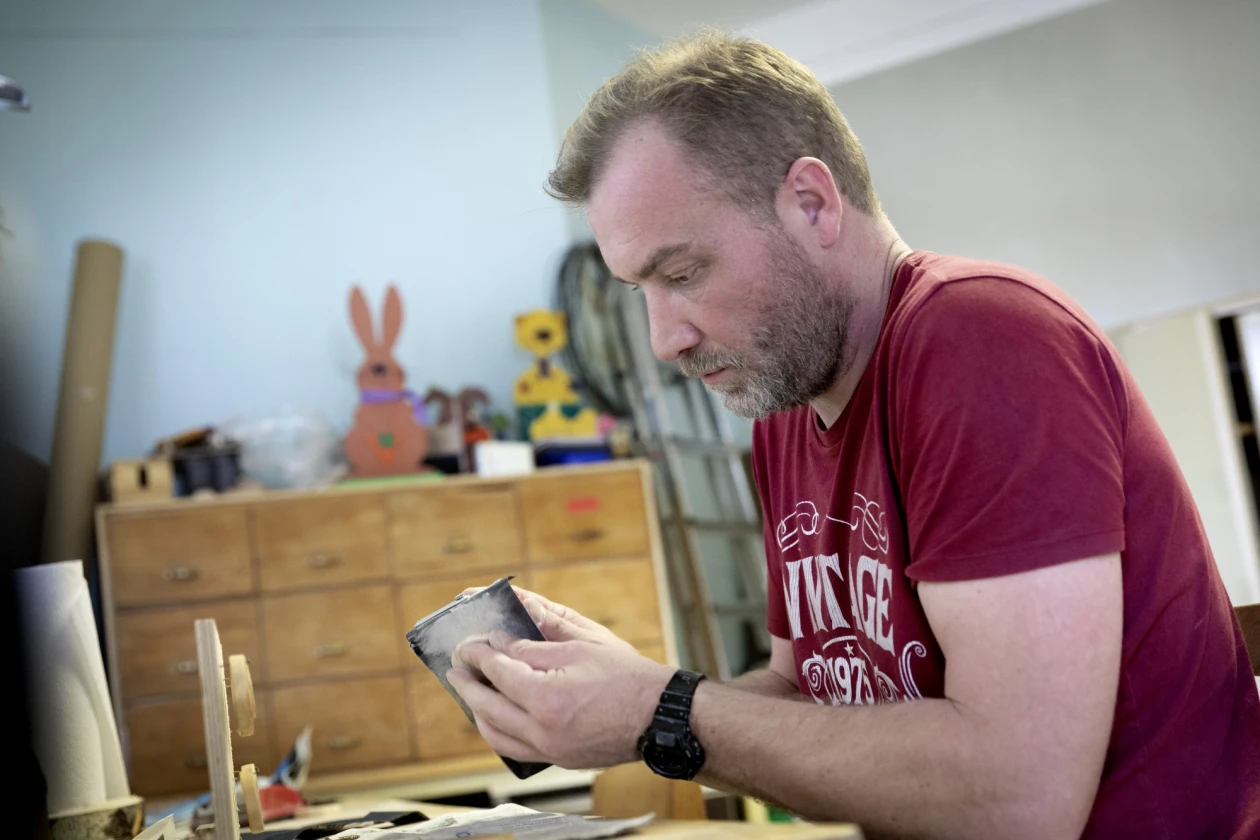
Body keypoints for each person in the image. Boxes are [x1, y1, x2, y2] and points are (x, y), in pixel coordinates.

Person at [447, 31, 1260, 839]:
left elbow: (1019, 798)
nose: (665, 341)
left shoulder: (986, 340)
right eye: (640, 290)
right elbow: (806, 700)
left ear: (812, 203)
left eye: (683, 274)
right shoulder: (786, 411)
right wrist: (622, 691)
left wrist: (661, 713)